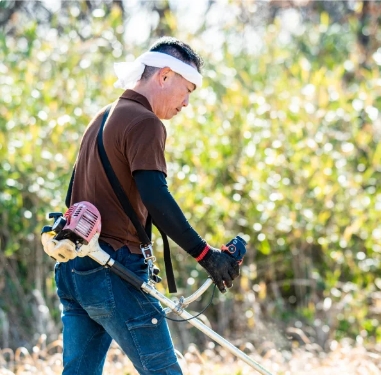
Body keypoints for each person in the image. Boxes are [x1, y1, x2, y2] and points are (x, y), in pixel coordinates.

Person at [53, 37, 241, 375]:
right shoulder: (145, 122)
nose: (186, 103)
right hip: (114, 267)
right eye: (188, 89)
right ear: (165, 76)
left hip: (76, 268)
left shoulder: (102, 116)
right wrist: (205, 255)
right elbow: (155, 194)